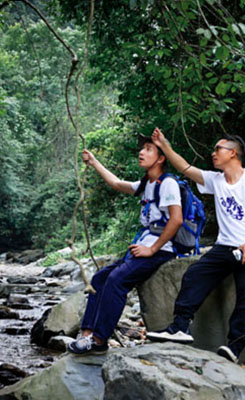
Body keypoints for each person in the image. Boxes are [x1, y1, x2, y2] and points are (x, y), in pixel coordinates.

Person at [146, 127, 245, 364]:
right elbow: (185, 168)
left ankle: (234, 348)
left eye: (218, 149)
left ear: (233, 153)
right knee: (195, 275)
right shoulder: (216, 180)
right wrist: (164, 146)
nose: (213, 153)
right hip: (225, 247)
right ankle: (180, 327)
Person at [67, 135, 186, 355]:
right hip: (142, 248)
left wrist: (152, 249)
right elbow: (116, 183)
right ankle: (86, 335)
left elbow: (176, 219)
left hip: (160, 251)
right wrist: (93, 162)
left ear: (161, 158)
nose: (142, 152)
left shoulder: (167, 183)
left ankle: (99, 340)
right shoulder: (147, 183)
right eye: (143, 149)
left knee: (116, 281)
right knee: (99, 278)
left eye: (149, 149)